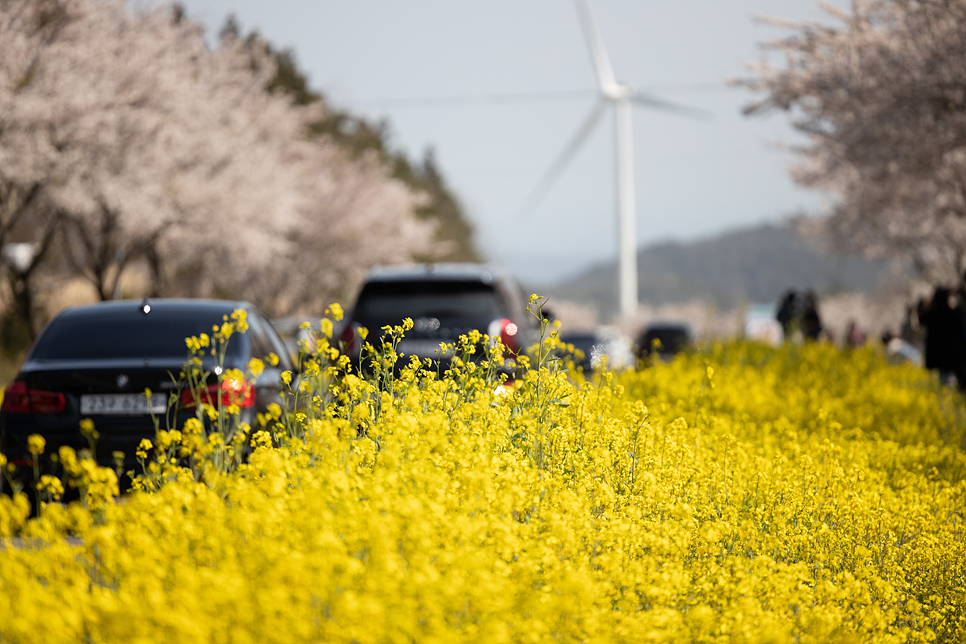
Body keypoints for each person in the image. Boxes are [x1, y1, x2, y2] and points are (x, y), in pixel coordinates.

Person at [919, 286, 966, 390]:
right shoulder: (952, 313)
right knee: (959, 381)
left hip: (939, 355)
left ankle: (947, 398)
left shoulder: (932, 313)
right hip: (954, 353)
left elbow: (921, 319)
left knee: (944, 380)